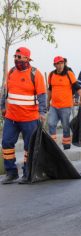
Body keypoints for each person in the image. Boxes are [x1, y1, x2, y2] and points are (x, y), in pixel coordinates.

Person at [0, 47, 47, 184]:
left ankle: (28, 172)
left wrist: (42, 112)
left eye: (19, 57)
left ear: (27, 59)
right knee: (6, 143)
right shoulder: (11, 72)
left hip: (29, 118)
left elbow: (42, 95)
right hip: (11, 117)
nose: (16, 59)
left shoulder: (35, 74)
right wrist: (2, 106)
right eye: (15, 57)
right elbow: (5, 91)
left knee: (29, 146)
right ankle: (11, 172)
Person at [47, 56, 81, 150]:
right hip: (54, 106)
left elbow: (77, 87)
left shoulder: (69, 74)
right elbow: (50, 90)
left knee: (65, 126)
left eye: (61, 63)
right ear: (54, 65)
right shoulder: (51, 75)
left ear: (64, 63)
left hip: (66, 106)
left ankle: (66, 145)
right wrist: (48, 101)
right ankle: (53, 145)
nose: (60, 65)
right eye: (57, 64)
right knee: (51, 123)